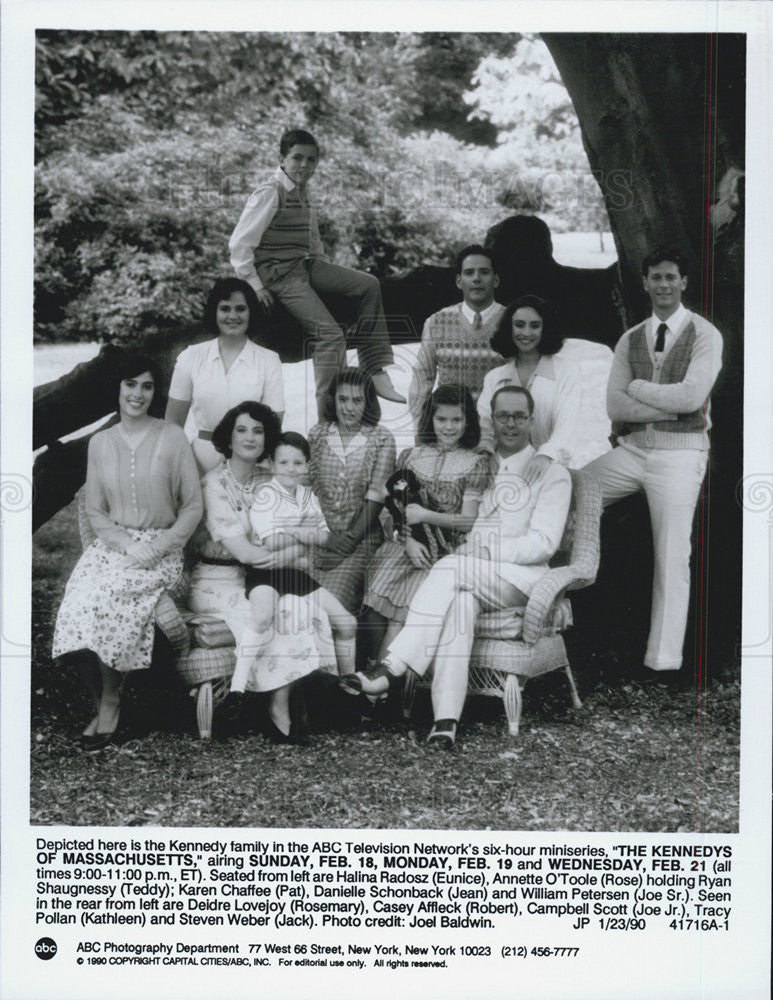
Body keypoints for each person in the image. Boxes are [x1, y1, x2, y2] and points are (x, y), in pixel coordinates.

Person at [342, 385, 572, 749]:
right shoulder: (482, 464)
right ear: (491, 420)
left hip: (520, 579)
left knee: (449, 569)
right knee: (459, 608)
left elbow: (544, 543)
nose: (510, 423)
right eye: (503, 416)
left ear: (532, 420)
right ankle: (445, 720)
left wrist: (484, 551)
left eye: (519, 416)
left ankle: (392, 668)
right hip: (473, 576)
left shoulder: (550, 472)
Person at [583, 248, 723, 680]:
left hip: (681, 455)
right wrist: (665, 405)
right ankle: (571, 624)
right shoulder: (631, 337)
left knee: (671, 554)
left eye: (671, 277)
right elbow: (613, 404)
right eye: (655, 278)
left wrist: (640, 388)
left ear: (684, 283)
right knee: (571, 491)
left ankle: (663, 661)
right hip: (634, 451)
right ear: (643, 283)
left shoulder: (705, 334)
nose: (663, 285)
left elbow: (691, 399)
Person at [52, 354, 203, 750]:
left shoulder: (172, 437)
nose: (138, 394)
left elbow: (192, 507)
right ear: (117, 389)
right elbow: (95, 511)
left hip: (162, 550)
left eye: (147, 386)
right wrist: (125, 544)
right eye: (130, 385)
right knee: (76, 606)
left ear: (156, 392)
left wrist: (158, 546)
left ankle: (112, 702)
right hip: (113, 548)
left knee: (109, 598)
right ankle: (102, 697)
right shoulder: (101, 443)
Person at [228, 127, 404, 416]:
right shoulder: (269, 193)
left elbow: (311, 240)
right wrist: (255, 285)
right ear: (282, 158)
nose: (305, 166)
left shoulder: (304, 192)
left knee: (369, 284)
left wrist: (326, 272)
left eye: (312, 160)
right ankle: (329, 416)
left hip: (304, 266)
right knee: (330, 336)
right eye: (297, 158)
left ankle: (375, 367)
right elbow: (239, 244)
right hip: (277, 273)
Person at [189, 403, 326, 743]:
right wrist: (296, 549)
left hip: (265, 577)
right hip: (216, 579)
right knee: (266, 614)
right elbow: (247, 553)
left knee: (295, 609)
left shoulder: (272, 479)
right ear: (228, 436)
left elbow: (311, 535)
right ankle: (257, 706)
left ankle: (280, 707)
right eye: (241, 429)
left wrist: (296, 547)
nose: (250, 437)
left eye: (258, 430)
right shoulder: (214, 485)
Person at [361, 385, 490, 661]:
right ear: (431, 419)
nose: (449, 427)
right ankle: (372, 672)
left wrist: (426, 516)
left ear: (468, 421)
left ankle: (382, 687)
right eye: (441, 419)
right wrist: (406, 539)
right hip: (404, 543)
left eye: (457, 420)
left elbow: (468, 520)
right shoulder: (412, 455)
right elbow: (391, 507)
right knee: (373, 608)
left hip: (441, 550)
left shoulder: (475, 462)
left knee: (402, 616)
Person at [231, 432, 358, 699]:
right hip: (265, 571)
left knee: (347, 623)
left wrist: (290, 528)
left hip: (295, 573)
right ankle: (237, 689)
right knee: (262, 616)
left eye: (298, 463)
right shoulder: (266, 494)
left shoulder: (308, 496)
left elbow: (324, 537)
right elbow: (272, 542)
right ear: (272, 465)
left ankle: (349, 690)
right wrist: (303, 532)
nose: (291, 469)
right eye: (284, 462)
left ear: (308, 465)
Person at [166, 277, 285, 474]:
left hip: (251, 463)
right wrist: (186, 467)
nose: (232, 316)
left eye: (240, 309)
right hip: (199, 462)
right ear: (214, 312)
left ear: (251, 312)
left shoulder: (269, 360)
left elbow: (273, 424)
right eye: (225, 309)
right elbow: (172, 424)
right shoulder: (191, 357)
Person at [308, 368, 396, 614]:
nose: (349, 408)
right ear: (332, 400)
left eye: (357, 400)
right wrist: (325, 539)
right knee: (292, 601)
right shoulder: (318, 434)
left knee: (328, 606)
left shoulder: (381, 438)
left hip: (361, 540)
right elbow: (305, 494)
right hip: (319, 538)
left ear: (368, 402)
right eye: (342, 399)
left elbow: (376, 497)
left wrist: (345, 544)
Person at [477, 294, 581, 484]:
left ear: (545, 329)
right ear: (510, 328)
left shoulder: (566, 371)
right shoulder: (494, 377)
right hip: (500, 470)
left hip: (548, 468)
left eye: (535, 326)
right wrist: (487, 455)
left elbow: (567, 425)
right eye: (519, 325)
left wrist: (545, 456)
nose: (526, 332)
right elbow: (485, 424)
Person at [408, 244, 505, 432]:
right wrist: (422, 430)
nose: (476, 278)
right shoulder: (437, 322)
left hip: (498, 431)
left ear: (496, 280)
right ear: (459, 281)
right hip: (451, 431)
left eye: (484, 272)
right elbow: (422, 379)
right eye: (469, 273)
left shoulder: (512, 321)